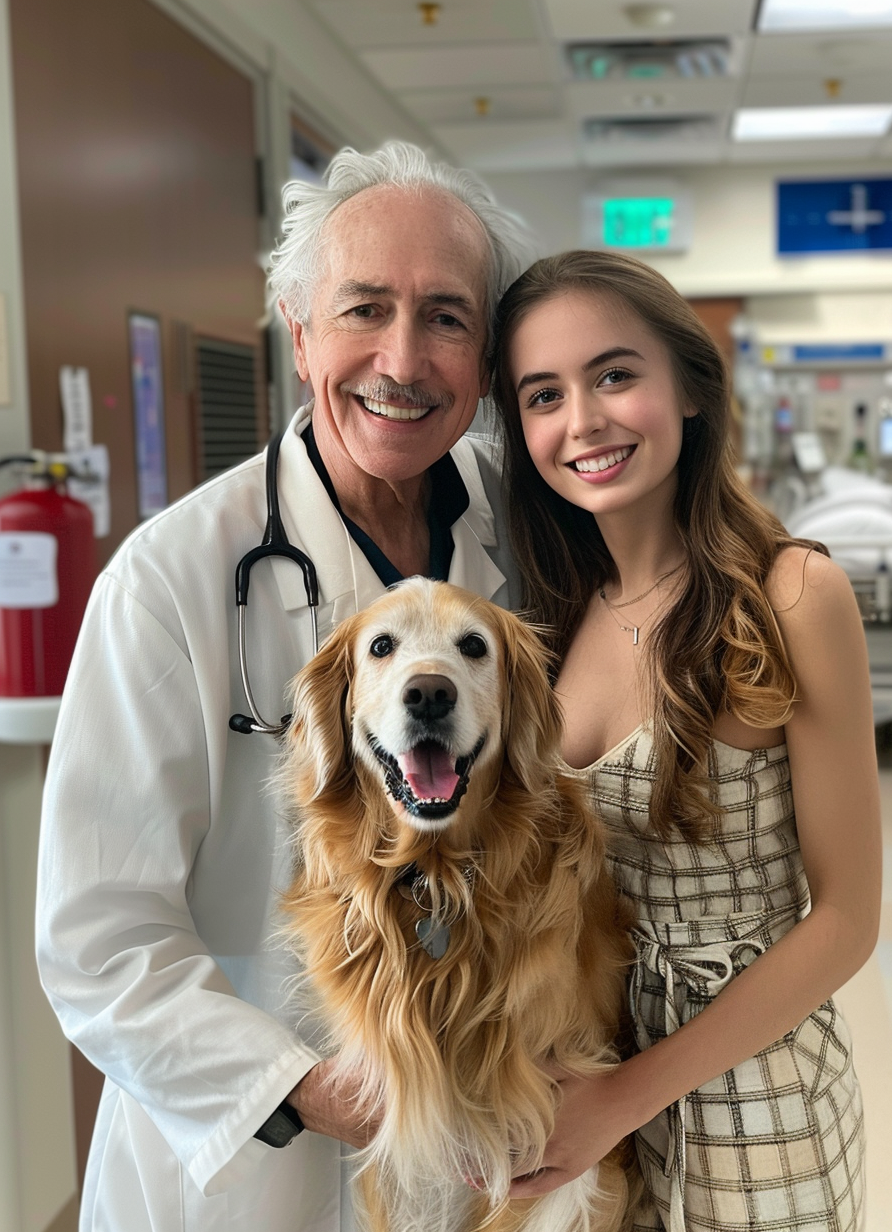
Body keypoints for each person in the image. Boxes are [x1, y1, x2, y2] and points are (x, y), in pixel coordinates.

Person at [35, 141, 532, 1232]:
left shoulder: (529, 543)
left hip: (478, 1153)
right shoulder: (172, 578)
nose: (402, 359)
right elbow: (97, 937)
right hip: (253, 1170)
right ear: (298, 330)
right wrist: (316, 1086)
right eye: (364, 309)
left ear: (487, 357)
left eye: (446, 316)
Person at [490, 250, 880, 1232]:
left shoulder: (789, 594)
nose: (581, 420)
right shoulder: (545, 621)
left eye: (614, 374)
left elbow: (844, 918)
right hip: (587, 1085)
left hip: (753, 1100)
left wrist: (625, 1096)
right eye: (544, 393)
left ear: (690, 389)